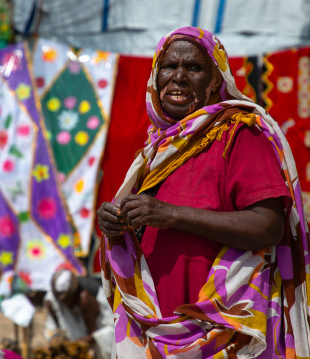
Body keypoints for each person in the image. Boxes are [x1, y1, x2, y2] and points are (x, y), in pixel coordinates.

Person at [97, 26, 310, 358]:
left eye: (194, 68)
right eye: (169, 66)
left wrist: (170, 214)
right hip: (155, 329)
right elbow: (146, 224)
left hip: (221, 334)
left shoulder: (239, 134)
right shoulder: (156, 150)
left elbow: (268, 227)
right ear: (156, 74)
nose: (179, 77)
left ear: (215, 80)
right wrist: (116, 222)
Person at [44, 269, 114, 359]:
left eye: (68, 299)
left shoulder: (95, 293)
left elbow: (112, 328)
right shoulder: (52, 300)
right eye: (63, 301)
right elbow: (51, 329)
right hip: (72, 341)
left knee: (84, 299)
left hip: (98, 335)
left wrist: (87, 341)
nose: (66, 304)